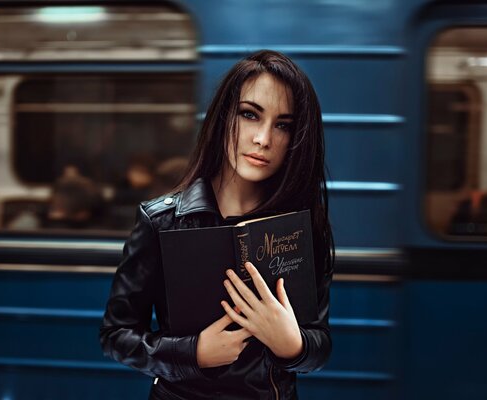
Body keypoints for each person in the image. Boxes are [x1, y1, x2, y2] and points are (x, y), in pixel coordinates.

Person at [100, 50, 334, 400]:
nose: (263, 139)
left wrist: (292, 344)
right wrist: (193, 353)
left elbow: (319, 344)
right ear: (224, 117)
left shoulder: (300, 228)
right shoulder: (161, 222)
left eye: (283, 125)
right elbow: (116, 336)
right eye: (250, 114)